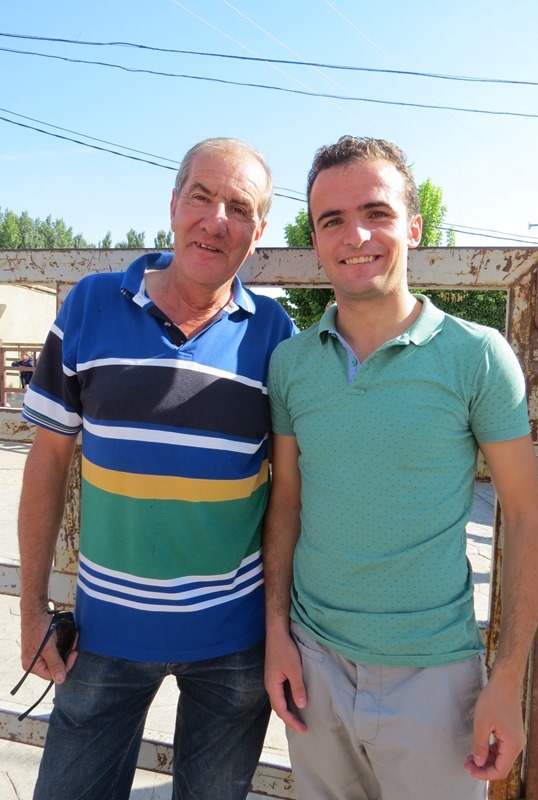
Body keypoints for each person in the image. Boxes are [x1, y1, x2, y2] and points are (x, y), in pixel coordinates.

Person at [263, 135, 538, 800]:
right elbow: (286, 503)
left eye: (377, 213)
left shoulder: (478, 356)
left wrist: (507, 679)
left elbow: (527, 516)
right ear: (316, 241)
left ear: (415, 228)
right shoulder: (290, 363)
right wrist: (277, 632)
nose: (356, 235)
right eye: (332, 220)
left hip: (436, 680)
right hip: (313, 666)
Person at [17, 137, 296, 800]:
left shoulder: (276, 336)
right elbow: (48, 462)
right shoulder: (89, 305)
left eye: (239, 208)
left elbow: (288, 494)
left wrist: (279, 630)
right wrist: (31, 611)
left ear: (258, 232)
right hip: (103, 636)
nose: (216, 220)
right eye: (201, 197)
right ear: (173, 205)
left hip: (234, 644)